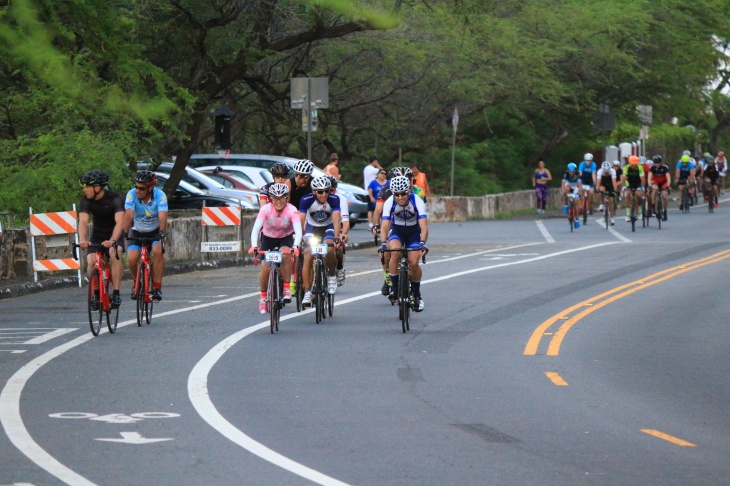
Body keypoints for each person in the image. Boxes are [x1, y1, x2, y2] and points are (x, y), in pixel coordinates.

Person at [247, 183, 302, 314]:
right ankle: (263, 298)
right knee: (265, 266)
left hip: (285, 237)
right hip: (268, 239)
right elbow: (255, 230)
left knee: (284, 255)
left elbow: (298, 231)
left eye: (282, 198)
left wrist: (295, 246)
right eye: (275, 198)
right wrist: (254, 245)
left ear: (287, 198)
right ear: (271, 199)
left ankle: (287, 288)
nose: (278, 201)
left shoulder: (291, 210)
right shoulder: (265, 209)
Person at [378, 175, 428, 312]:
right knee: (394, 252)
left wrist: (423, 243)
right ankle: (394, 289)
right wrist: (383, 243)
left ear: (409, 191)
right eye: (397, 194)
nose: (400, 197)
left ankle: (417, 295)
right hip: (397, 231)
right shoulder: (389, 202)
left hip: (413, 232)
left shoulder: (417, 201)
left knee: (413, 263)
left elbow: (424, 226)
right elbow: (385, 225)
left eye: (403, 193)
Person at [77, 170, 125, 309]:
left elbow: (120, 222)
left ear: (97, 188)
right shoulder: (86, 200)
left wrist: (113, 240)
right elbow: (83, 222)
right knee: (91, 261)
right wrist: (82, 240)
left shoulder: (114, 198)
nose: (84, 190)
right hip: (98, 234)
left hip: (115, 233)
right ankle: (97, 293)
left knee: (113, 254)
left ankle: (116, 293)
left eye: (87, 186)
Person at [124, 170, 168, 302]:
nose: (138, 190)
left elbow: (162, 217)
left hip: (154, 231)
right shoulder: (131, 195)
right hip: (137, 231)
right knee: (132, 259)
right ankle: (137, 283)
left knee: (157, 251)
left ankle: (157, 287)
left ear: (150, 188)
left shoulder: (160, 196)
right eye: (136, 186)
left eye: (142, 188)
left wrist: (162, 233)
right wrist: (126, 233)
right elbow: (129, 215)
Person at [299, 176, 341, 306]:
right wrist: (300, 237)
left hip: (327, 228)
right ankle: (307, 291)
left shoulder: (334, 199)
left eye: (327, 191)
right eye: (320, 191)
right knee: (308, 254)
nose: (324, 194)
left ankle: (331, 275)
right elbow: (301, 220)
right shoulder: (306, 200)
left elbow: (335, 220)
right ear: (314, 192)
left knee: (330, 249)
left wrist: (337, 237)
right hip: (312, 228)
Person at [328, 175, 349, 286]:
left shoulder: (341, 199)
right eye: (327, 190)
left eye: (332, 190)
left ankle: (339, 267)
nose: (330, 193)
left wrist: (343, 233)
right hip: (322, 227)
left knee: (339, 244)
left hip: (337, 226)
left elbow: (345, 221)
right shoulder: (320, 196)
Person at [620, 155, 645, 221]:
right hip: (629, 183)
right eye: (632, 165)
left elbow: (642, 179)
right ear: (630, 163)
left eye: (635, 164)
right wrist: (624, 187)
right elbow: (623, 178)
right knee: (627, 195)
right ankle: (628, 215)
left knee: (639, 195)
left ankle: (639, 211)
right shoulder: (626, 168)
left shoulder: (640, 167)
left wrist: (642, 187)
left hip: (637, 182)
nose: (633, 166)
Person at [647, 155, 671, 221]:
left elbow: (668, 177)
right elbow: (649, 177)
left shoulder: (665, 167)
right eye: (655, 163)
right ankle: (653, 207)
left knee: (664, 196)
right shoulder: (652, 168)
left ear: (660, 162)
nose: (657, 164)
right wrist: (649, 185)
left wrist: (668, 186)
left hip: (664, 182)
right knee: (654, 190)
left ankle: (665, 211)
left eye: (658, 163)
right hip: (656, 182)